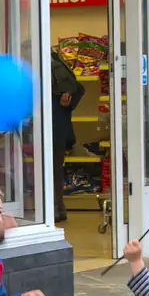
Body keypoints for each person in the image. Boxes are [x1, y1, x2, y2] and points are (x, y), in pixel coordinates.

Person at [51, 52, 83, 222]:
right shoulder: (59, 64)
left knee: (48, 170)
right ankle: (57, 208)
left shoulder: (47, 66)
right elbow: (78, 89)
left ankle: (54, 208)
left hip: (50, 128)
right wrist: (68, 103)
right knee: (55, 169)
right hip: (59, 128)